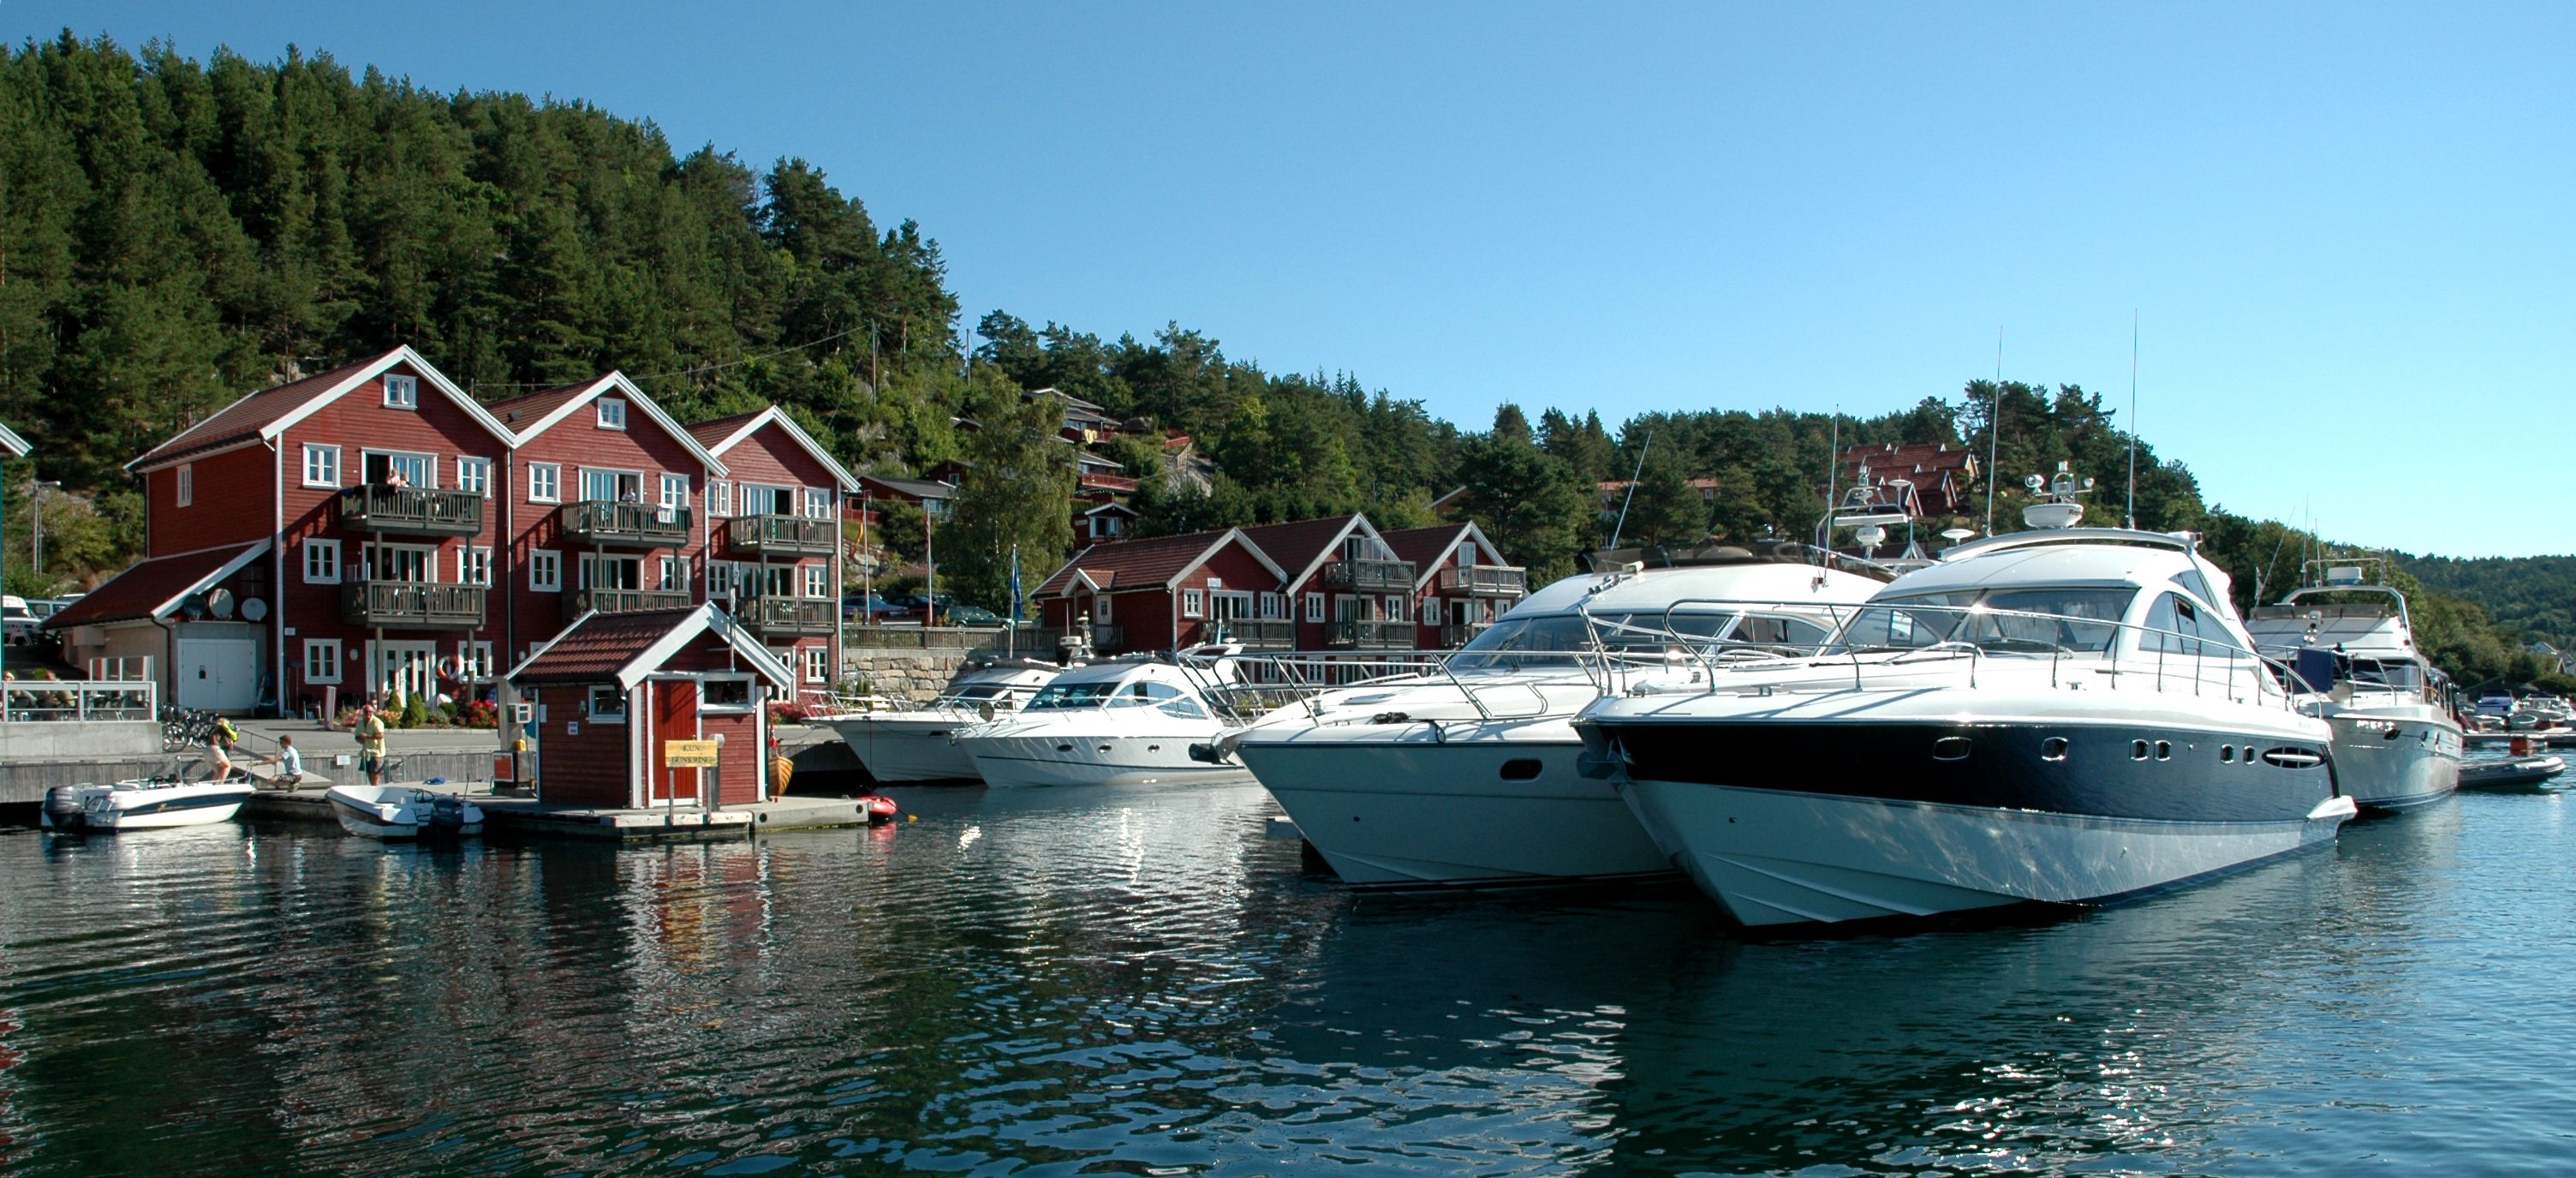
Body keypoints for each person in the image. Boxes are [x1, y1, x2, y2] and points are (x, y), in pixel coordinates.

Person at [355, 703, 389, 786]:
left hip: (377, 752)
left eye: (370, 712)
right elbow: (357, 736)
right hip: (366, 752)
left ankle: (375, 788)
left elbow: (381, 735)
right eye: (366, 712)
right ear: (363, 712)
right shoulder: (360, 722)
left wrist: (367, 736)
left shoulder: (377, 722)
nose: (368, 714)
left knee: (375, 772)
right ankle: (373, 787)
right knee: (368, 772)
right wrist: (360, 739)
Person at [207, 716, 242, 781]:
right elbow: (227, 742)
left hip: (208, 750)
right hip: (217, 749)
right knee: (227, 766)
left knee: (218, 770)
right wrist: (231, 742)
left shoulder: (214, 729)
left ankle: (214, 784)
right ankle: (220, 784)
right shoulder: (223, 730)